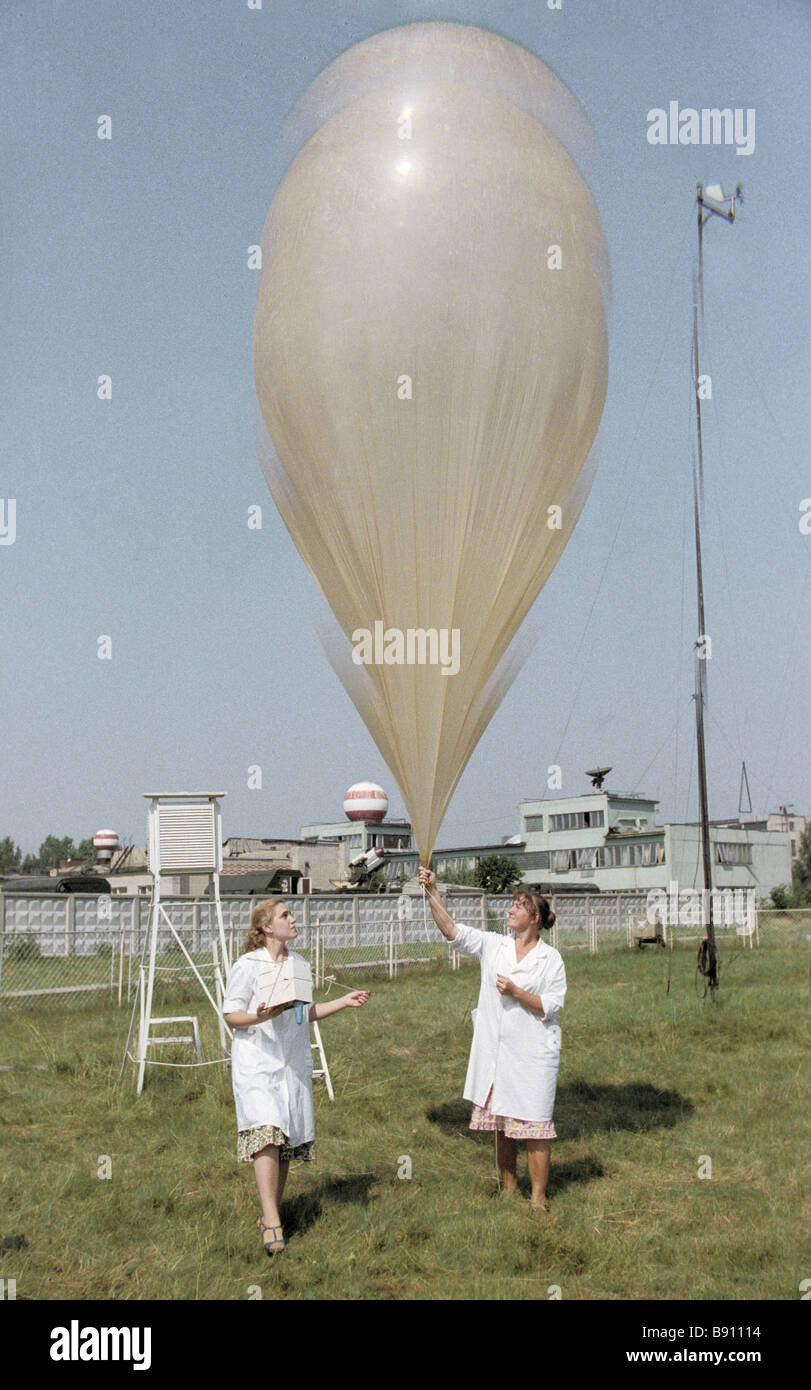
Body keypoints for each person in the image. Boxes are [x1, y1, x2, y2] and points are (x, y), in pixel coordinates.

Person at [222, 897, 370, 1254]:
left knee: (285, 1140)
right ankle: (273, 1221)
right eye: (285, 915)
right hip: (257, 1062)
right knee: (266, 1134)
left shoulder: (299, 963)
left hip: (292, 1064)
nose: (293, 918)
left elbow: (306, 1013)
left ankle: (270, 1213)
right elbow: (231, 1015)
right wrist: (263, 1015)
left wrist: (344, 1002)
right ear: (267, 927)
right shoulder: (248, 966)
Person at [418, 867, 565, 1211]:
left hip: (533, 1054)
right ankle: (509, 1189)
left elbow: (551, 1007)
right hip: (498, 1052)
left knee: (535, 1124)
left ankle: (539, 1198)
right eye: (511, 905)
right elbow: (451, 930)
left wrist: (516, 991)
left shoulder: (551, 959)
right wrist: (432, 891)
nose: (510, 910)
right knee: (503, 1120)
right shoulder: (493, 945)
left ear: (536, 918)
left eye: (519, 906)